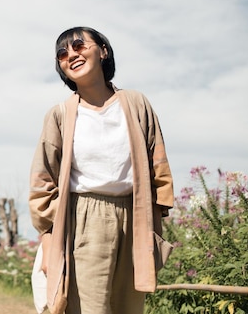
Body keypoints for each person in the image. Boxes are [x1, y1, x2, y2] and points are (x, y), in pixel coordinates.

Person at [29, 26, 174, 314]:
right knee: (87, 308)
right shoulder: (60, 115)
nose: (71, 55)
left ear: (103, 51)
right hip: (84, 217)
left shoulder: (136, 103)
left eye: (79, 45)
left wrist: (154, 226)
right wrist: (48, 242)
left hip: (135, 216)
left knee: (129, 307)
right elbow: (42, 182)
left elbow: (159, 169)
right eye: (62, 54)